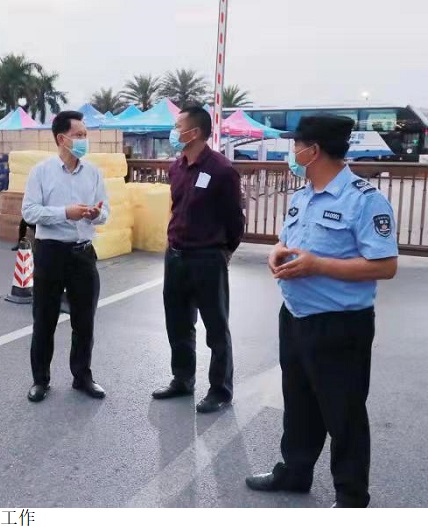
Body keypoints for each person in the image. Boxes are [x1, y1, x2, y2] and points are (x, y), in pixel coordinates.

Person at [245, 115, 398, 508]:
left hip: (340, 325)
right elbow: (288, 240)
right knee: (298, 402)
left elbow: (385, 265)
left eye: (296, 145)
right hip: (295, 316)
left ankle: (351, 496)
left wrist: (318, 265)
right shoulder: (303, 196)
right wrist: (277, 253)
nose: (292, 152)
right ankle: (295, 471)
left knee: (343, 412)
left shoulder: (364, 200)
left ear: (313, 151)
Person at [152, 106, 245, 413]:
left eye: (177, 126)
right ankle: (182, 379)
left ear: (194, 133)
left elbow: (235, 220)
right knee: (178, 323)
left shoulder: (222, 170)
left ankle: (220, 390)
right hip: (176, 256)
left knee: (216, 326)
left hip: (207, 258)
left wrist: (223, 252)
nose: (173, 132)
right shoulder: (176, 167)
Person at [21, 110, 109, 403]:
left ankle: (82, 377)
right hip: (50, 253)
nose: (84, 140)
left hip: (83, 253)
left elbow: (105, 211)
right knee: (44, 320)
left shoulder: (93, 172)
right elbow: (29, 211)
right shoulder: (41, 172)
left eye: (85, 135)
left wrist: (96, 214)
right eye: (78, 135)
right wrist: (64, 213)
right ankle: (40, 380)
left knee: (84, 321)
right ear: (61, 138)